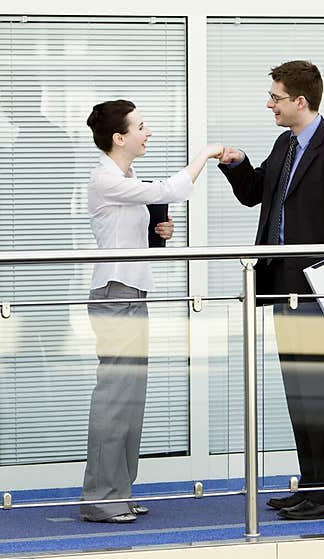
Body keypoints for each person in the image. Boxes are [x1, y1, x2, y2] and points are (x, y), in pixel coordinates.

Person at [217, 60, 324, 520]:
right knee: (300, 391)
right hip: (282, 285)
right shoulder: (285, 144)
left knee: (320, 389)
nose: (270, 104)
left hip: (317, 288)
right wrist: (238, 165)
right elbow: (257, 194)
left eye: (276, 97)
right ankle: (312, 486)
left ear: (300, 101)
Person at [80, 99, 222, 523]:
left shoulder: (127, 176)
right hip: (115, 295)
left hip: (134, 293)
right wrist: (206, 155)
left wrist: (159, 230)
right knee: (115, 399)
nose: (149, 132)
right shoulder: (104, 177)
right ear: (119, 137)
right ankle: (100, 497)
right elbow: (170, 190)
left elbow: (142, 219)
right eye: (142, 126)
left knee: (131, 400)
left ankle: (118, 491)